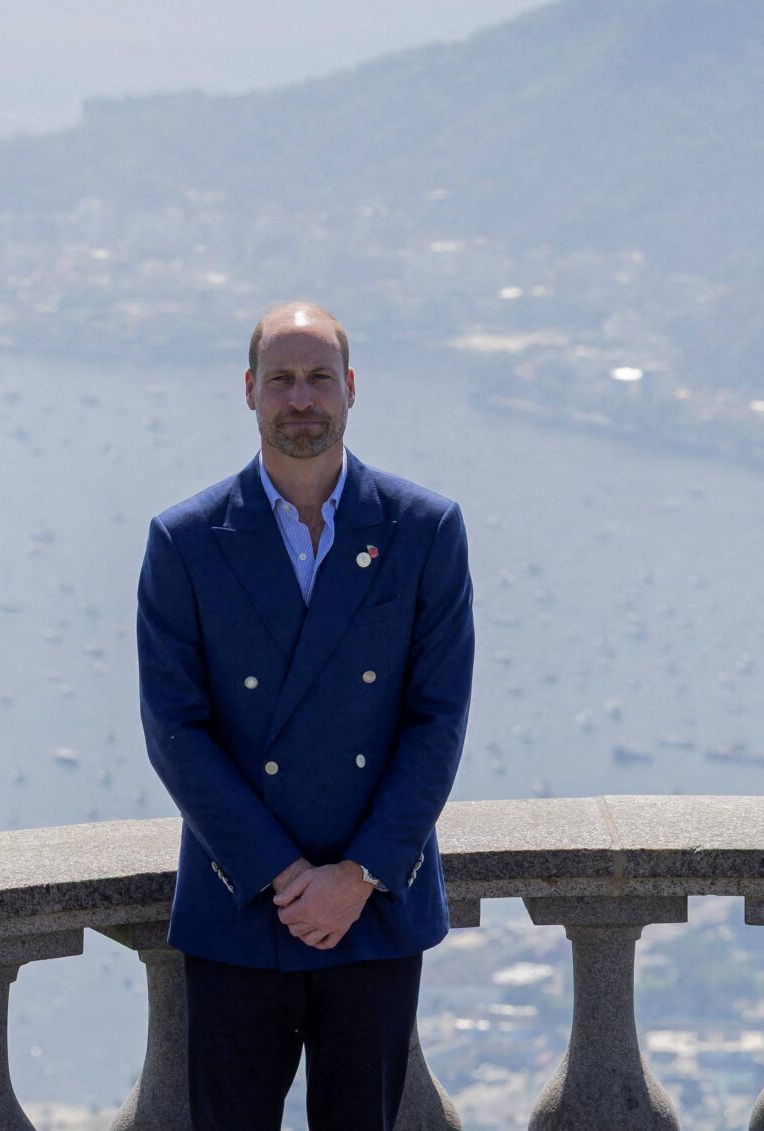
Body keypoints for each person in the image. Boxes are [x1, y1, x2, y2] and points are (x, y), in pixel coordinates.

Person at [136, 300, 475, 1131]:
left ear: (350, 387)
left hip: (375, 907)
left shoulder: (424, 530)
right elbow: (175, 729)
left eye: (318, 377)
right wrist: (284, 877)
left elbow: (437, 720)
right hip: (241, 903)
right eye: (281, 378)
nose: (300, 398)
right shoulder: (186, 540)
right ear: (249, 389)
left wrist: (356, 876)